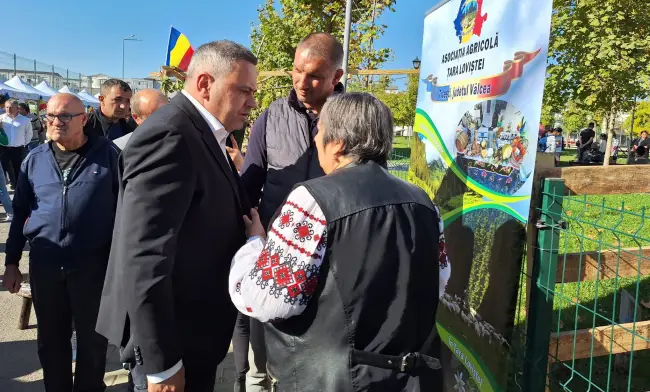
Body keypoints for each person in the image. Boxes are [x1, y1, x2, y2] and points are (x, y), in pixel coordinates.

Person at [229, 92, 448, 391]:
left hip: (330, 379)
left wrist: (254, 244)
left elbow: (268, 300)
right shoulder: (424, 203)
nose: (315, 140)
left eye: (319, 133)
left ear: (338, 144)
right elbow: (439, 282)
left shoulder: (311, 201)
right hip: (405, 379)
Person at [96, 40, 258, 392]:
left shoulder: (205, 133)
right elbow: (143, 256)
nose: (252, 101)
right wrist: (162, 364)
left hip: (196, 334)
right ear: (204, 84)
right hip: (175, 343)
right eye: (244, 90)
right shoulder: (171, 134)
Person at [235, 32, 344, 391]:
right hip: (275, 260)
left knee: (317, 363)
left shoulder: (353, 119)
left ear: (336, 77)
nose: (301, 82)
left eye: (313, 75)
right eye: (296, 71)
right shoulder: (271, 118)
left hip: (333, 263)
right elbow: (249, 185)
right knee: (260, 366)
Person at [3, 93, 120, 392]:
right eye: (50, 116)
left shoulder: (109, 157)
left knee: (93, 342)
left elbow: (126, 213)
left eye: (65, 116)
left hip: (94, 268)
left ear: (84, 119)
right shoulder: (35, 159)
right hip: (46, 265)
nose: (56, 122)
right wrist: (12, 262)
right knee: (51, 341)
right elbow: (20, 214)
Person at [0, 99, 33, 188]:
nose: (8, 109)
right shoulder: (1, 118)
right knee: (2, 170)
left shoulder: (25, 120)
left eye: (11, 107)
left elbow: (29, 134)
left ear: (17, 108)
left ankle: (18, 190)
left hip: (18, 149)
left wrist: (23, 143)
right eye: (7, 107)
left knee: (18, 170)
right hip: (4, 149)